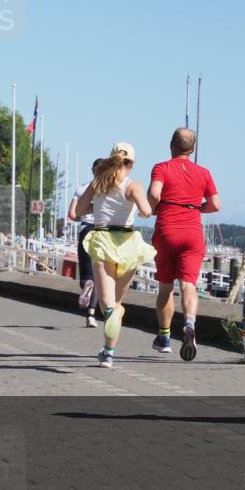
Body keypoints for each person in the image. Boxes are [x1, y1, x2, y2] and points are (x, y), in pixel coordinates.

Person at [74, 143, 155, 369]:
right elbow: (147, 211)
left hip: (103, 240)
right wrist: (138, 210)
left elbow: (78, 211)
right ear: (132, 164)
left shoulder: (97, 183)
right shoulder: (133, 186)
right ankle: (108, 351)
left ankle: (108, 351)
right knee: (118, 304)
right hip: (128, 244)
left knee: (107, 304)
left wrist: (98, 207)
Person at [147, 128, 220, 360]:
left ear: (171, 145)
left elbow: (155, 193)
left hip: (167, 230)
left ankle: (164, 337)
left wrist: (151, 209)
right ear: (193, 148)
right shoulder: (204, 172)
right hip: (192, 233)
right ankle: (189, 324)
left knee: (166, 287)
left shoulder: (162, 168)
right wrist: (198, 207)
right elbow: (216, 204)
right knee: (188, 285)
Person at [68, 159, 102, 327]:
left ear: (92, 170)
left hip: (86, 230)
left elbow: (72, 214)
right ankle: (91, 316)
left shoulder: (82, 188)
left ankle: (86, 285)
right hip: (103, 233)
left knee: (87, 276)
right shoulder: (109, 190)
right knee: (98, 276)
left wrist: (85, 211)